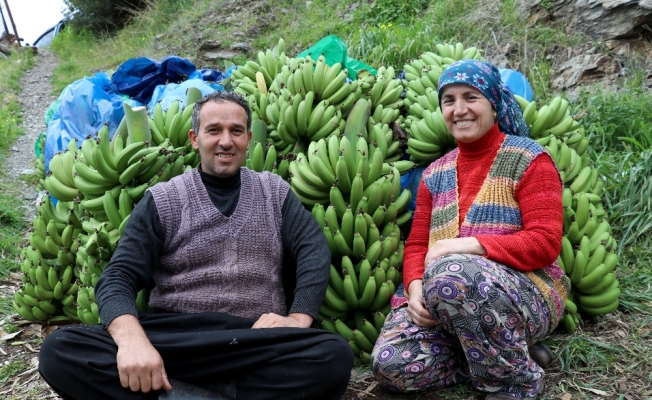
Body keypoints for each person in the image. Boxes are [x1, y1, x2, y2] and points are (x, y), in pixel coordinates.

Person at [38, 91, 353, 400]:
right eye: (214, 130)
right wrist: (133, 342)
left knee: (333, 357)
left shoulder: (274, 193)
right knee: (59, 351)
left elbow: (313, 249)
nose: (226, 141)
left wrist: (298, 319)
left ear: (247, 139)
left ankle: (175, 394)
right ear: (194, 138)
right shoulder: (164, 199)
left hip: (252, 340)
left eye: (236, 131)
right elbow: (119, 275)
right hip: (177, 339)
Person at [370, 60, 570, 400]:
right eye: (449, 100)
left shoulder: (529, 159)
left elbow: (546, 242)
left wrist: (468, 246)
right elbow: (418, 245)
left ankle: (515, 382)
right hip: (446, 298)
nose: (459, 110)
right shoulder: (434, 174)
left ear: (493, 103)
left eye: (471, 97)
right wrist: (416, 290)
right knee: (391, 365)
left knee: (452, 272)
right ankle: (504, 356)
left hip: (525, 293)